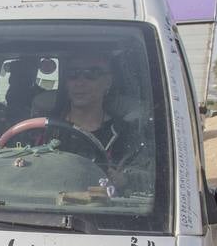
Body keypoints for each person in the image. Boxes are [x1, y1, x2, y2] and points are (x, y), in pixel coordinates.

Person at [58, 54, 154, 192]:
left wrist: (125, 179)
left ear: (108, 81)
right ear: (66, 83)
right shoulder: (42, 132)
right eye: (72, 74)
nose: (79, 82)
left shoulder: (126, 136)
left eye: (91, 74)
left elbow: (152, 179)